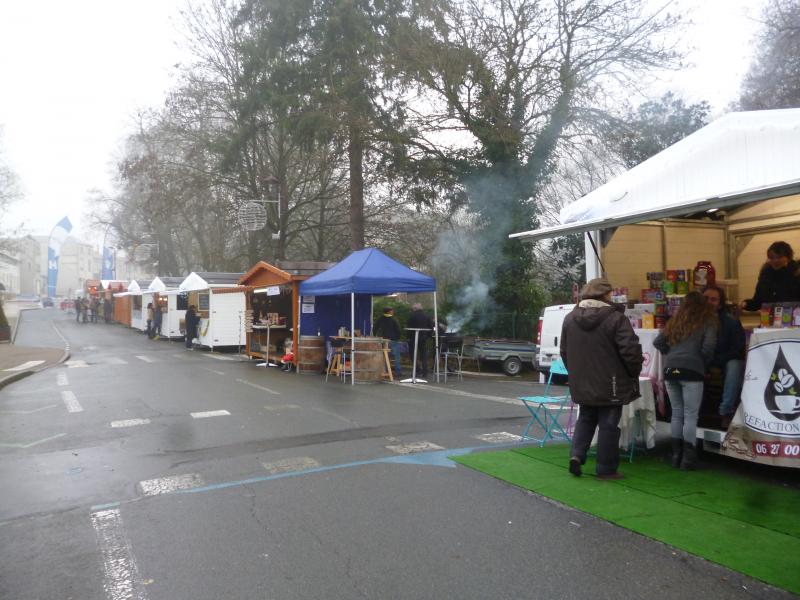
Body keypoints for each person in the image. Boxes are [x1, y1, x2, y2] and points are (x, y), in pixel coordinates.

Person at [561, 278, 643, 480]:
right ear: (606, 295)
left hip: (582, 381)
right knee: (608, 425)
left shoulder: (570, 318)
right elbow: (630, 351)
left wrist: (575, 373)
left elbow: (564, 351)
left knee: (586, 418)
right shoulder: (616, 318)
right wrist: (633, 372)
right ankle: (606, 469)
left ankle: (576, 455)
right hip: (611, 381)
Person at [654, 291, 718, 470]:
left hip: (670, 369)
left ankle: (676, 455)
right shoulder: (709, 321)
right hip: (692, 370)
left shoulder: (675, 320)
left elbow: (658, 342)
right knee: (690, 415)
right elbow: (709, 347)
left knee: (676, 413)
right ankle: (688, 459)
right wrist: (701, 361)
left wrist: (672, 354)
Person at [702, 285, 746, 428]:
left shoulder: (731, 322)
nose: (709, 302)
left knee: (735, 365)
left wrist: (716, 360)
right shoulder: (692, 320)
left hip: (725, 359)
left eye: (713, 299)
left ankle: (726, 412)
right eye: (705, 298)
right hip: (700, 359)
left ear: (720, 304)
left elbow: (738, 349)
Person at [741, 241, 800, 311]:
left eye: (779, 257)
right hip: (770, 317)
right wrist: (746, 304)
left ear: (788, 257)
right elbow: (758, 302)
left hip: (795, 316)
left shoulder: (797, 274)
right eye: (771, 257)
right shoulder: (765, 276)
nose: (775, 260)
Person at [406, 303, 433, 378]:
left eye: (413, 309)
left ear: (415, 308)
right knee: (423, 354)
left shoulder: (412, 316)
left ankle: (417, 370)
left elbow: (409, 328)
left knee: (412, 354)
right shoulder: (426, 316)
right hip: (423, 338)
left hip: (413, 337)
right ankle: (425, 372)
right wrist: (428, 336)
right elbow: (431, 327)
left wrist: (408, 337)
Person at [375, 307, 403, 378]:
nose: (393, 312)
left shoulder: (380, 319)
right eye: (392, 311)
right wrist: (398, 338)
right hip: (393, 340)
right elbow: (398, 330)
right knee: (396, 356)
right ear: (389, 312)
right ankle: (398, 372)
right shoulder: (393, 319)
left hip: (383, 340)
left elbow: (375, 328)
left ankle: (386, 371)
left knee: (385, 356)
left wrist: (376, 336)